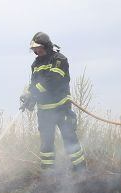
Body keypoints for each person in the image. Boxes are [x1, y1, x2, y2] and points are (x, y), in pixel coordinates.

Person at [20, 32, 86, 171]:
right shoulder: (36, 64)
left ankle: (80, 170)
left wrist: (35, 92)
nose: (35, 51)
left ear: (45, 46)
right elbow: (34, 83)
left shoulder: (59, 60)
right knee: (46, 144)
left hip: (61, 108)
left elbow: (53, 81)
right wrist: (29, 96)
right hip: (44, 112)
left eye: (37, 48)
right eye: (33, 49)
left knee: (69, 139)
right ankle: (48, 173)